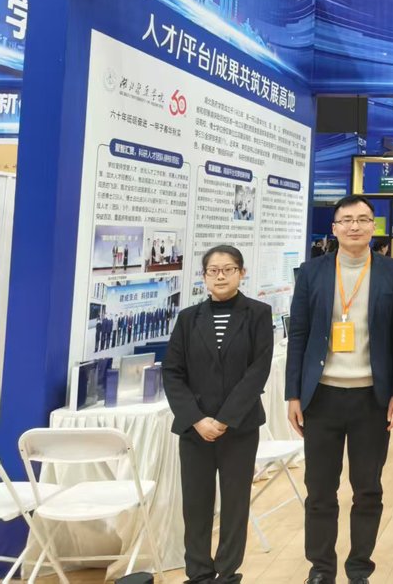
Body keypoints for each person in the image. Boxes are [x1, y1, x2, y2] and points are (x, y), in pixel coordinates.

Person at [285, 194, 393, 584]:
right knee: (320, 490)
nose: (355, 226)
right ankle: (321, 568)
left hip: (371, 398)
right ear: (334, 227)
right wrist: (293, 394)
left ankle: (359, 569)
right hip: (321, 396)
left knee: (367, 489)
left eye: (363, 219)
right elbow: (299, 334)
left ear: (374, 226)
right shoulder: (311, 272)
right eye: (347, 220)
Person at [163, 244, 274, 584]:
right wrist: (197, 419)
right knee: (195, 504)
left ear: (242, 273)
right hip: (194, 428)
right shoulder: (188, 318)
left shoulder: (258, 313)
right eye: (213, 270)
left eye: (228, 269)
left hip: (238, 426)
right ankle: (198, 573)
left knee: (235, 503)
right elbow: (172, 372)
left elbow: (258, 371)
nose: (221, 276)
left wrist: (224, 419)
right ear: (204, 276)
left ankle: (227, 573)